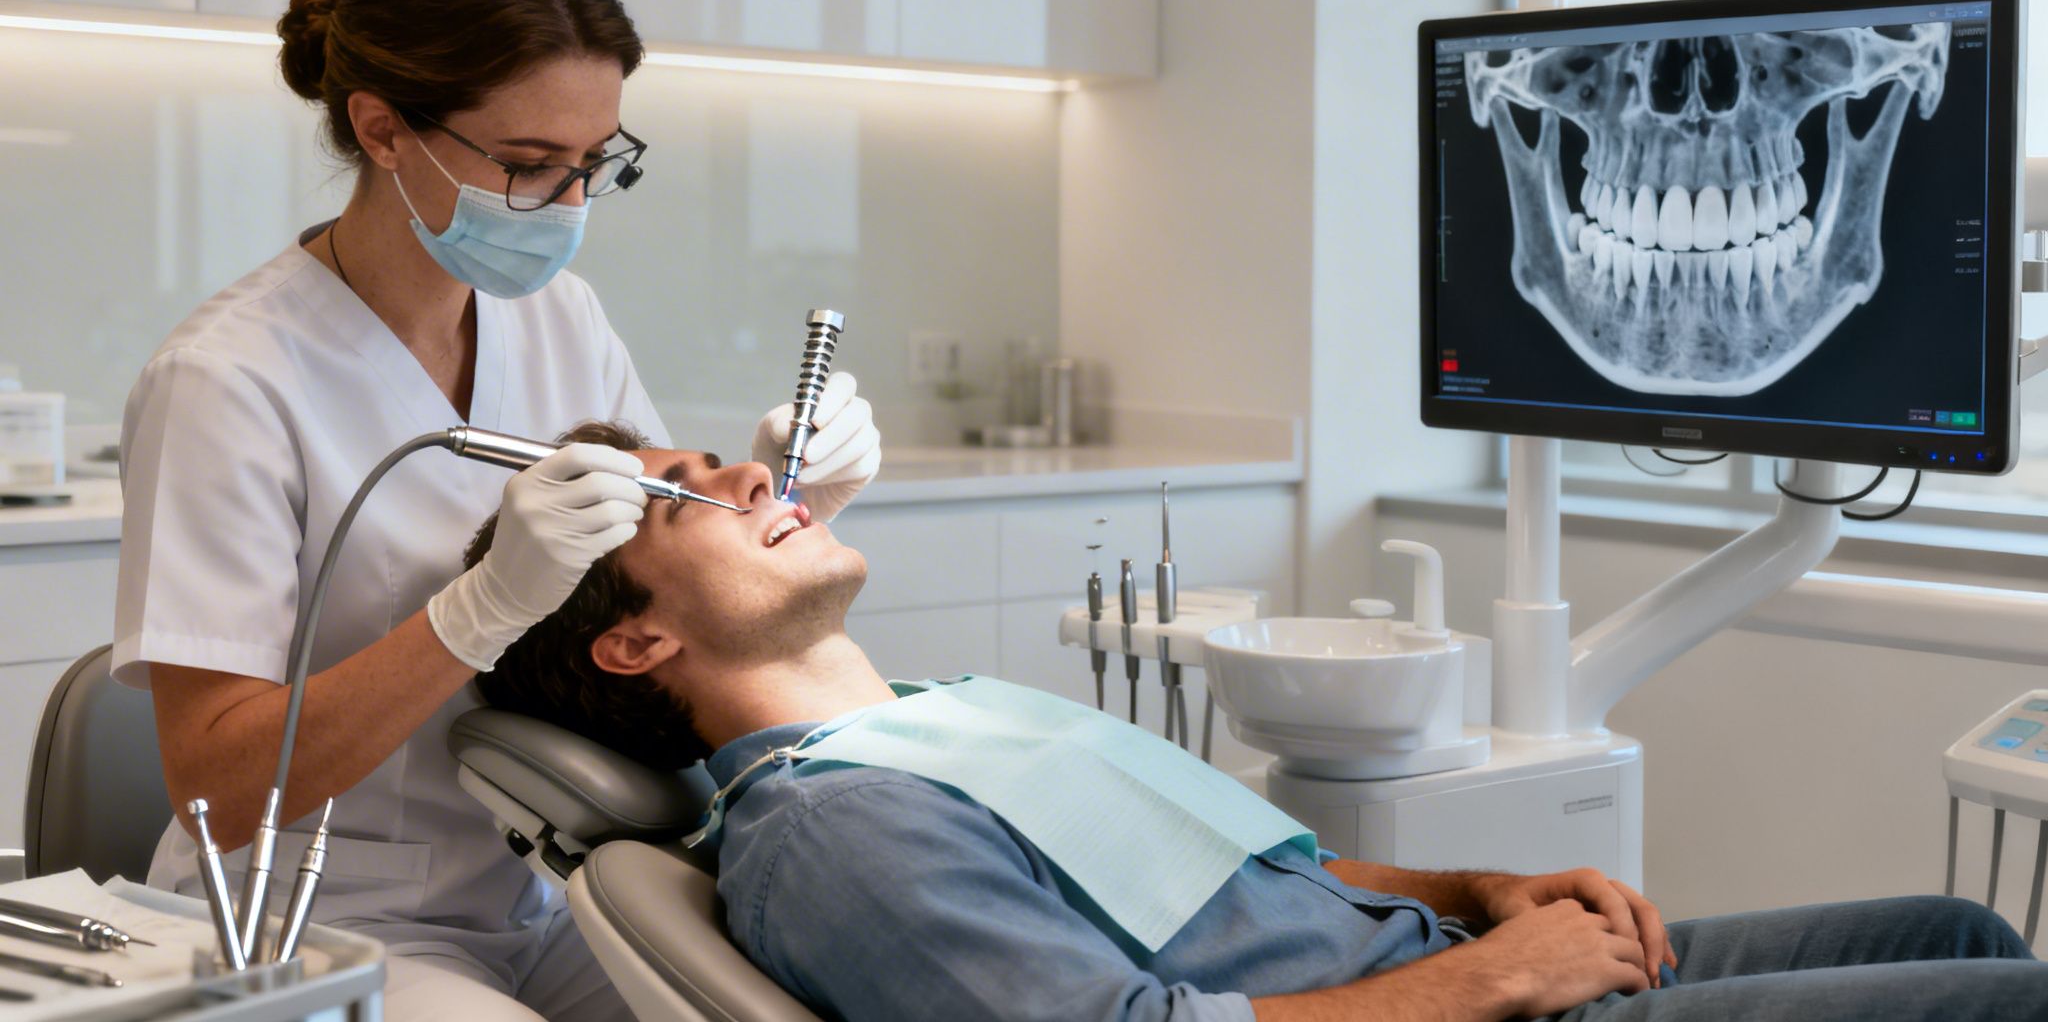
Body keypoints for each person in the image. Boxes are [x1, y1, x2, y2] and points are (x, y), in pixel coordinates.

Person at [472, 419, 2048, 1022]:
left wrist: (1477, 891)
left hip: (1442, 965)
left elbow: (1234, 879)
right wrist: (1492, 978)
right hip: (1459, 1017)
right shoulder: (833, 832)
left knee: (1959, 931)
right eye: (688, 498)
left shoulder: (935, 721)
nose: (754, 473)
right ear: (637, 641)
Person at [112, 0, 881, 1021]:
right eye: (527, 165)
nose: (569, 203)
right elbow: (219, 794)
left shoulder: (564, 320)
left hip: (557, 881)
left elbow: (659, 617)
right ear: (383, 129)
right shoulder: (227, 382)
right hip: (318, 911)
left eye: (592, 162)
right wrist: (475, 615)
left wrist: (787, 505)